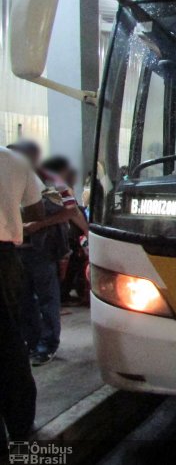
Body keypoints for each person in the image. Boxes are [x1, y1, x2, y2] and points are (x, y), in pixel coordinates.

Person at [8, 142, 83, 366]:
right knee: (23, 300)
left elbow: (71, 210)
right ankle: (30, 342)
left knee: (47, 297)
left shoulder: (50, 180)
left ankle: (48, 344)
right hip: (17, 248)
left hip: (42, 249)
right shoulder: (11, 180)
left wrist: (39, 225)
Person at [0, 145, 44, 446]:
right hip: (5, 260)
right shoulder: (15, 159)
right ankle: (20, 424)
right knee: (9, 339)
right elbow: (36, 210)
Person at [41, 156, 89, 305]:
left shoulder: (40, 181)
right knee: (59, 273)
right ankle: (59, 300)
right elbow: (73, 211)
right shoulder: (60, 186)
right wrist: (87, 231)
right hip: (56, 237)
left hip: (40, 238)